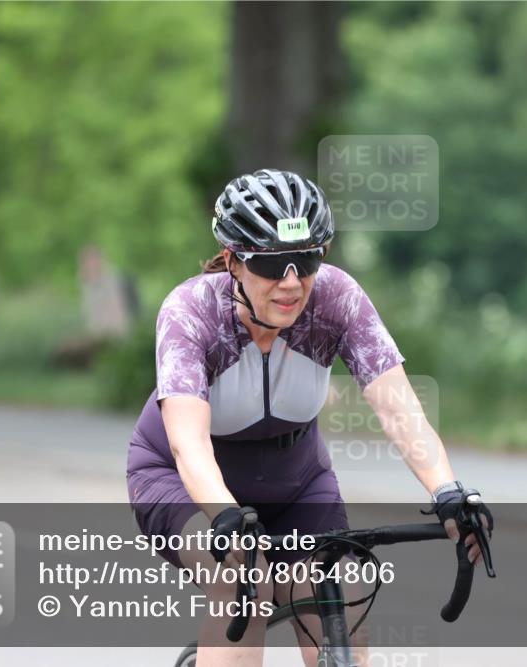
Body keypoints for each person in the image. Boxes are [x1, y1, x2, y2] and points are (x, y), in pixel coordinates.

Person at [126, 169, 493, 667]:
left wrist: (447, 490)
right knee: (244, 587)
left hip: (296, 481)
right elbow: (188, 446)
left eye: (306, 260)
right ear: (234, 261)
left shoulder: (336, 299)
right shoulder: (191, 311)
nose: (292, 282)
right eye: (274, 265)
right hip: (181, 479)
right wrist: (225, 518)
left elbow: (399, 409)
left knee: (338, 604)